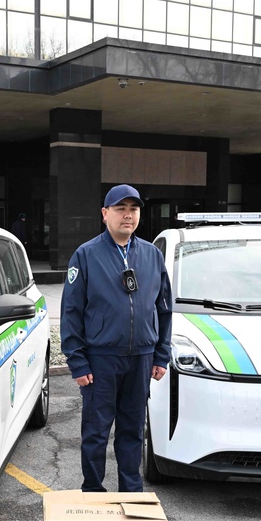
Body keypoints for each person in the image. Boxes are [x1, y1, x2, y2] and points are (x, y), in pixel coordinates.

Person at [60, 184, 173, 492]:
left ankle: (131, 492)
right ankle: (93, 491)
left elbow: (164, 309)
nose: (128, 215)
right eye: (120, 209)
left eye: (133, 209)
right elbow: (71, 311)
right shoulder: (86, 255)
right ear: (104, 214)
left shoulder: (152, 255)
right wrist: (77, 361)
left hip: (141, 359)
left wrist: (161, 355)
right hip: (101, 359)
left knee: (133, 430)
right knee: (96, 431)